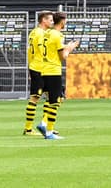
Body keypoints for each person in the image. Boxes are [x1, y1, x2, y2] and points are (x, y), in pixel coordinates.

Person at [27, 10, 80, 140]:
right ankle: (47, 129)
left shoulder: (46, 33)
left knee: (51, 99)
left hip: (43, 69)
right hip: (52, 69)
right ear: (62, 22)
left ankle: (44, 125)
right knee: (55, 102)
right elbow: (62, 57)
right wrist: (70, 48)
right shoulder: (57, 35)